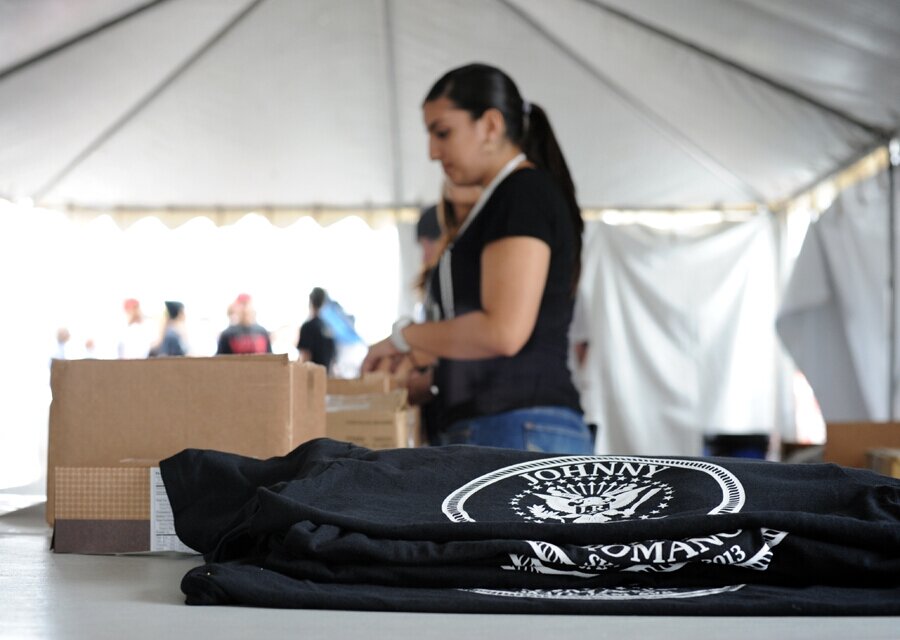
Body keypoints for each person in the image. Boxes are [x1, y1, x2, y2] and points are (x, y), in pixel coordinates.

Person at [362, 63, 591, 454]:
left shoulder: (522, 193)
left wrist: (405, 337)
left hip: (517, 428)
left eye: (443, 132)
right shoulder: (507, 198)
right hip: (504, 428)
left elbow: (502, 332)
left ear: (489, 125)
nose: (433, 152)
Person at [297, 287, 336, 372]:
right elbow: (333, 360)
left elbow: (305, 356)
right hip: (325, 378)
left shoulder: (308, 327)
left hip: (311, 379)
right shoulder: (328, 328)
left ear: (310, 302)